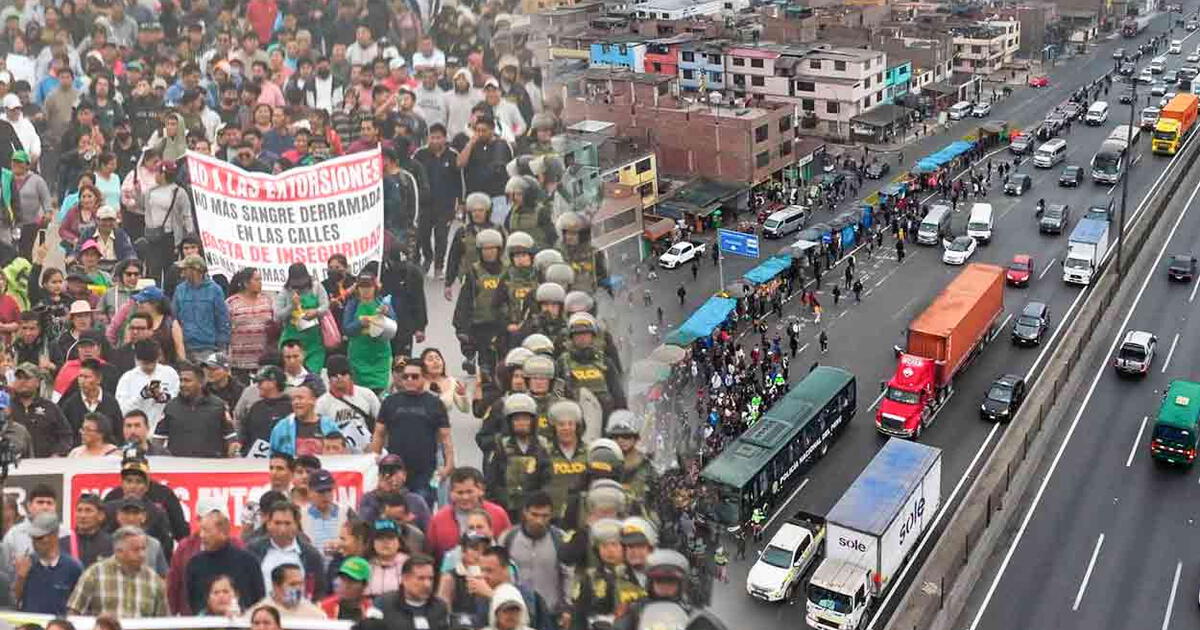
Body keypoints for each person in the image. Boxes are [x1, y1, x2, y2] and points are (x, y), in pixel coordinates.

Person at [369, 358, 453, 505]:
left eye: (414, 376)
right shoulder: (390, 402)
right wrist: (372, 461)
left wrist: (449, 466)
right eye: (405, 376)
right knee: (393, 510)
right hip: (393, 470)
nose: (409, 380)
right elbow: (379, 434)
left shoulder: (435, 403)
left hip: (425, 471)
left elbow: (446, 439)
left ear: (424, 377)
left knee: (422, 509)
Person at [67, 526, 169, 617]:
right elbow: (74, 613)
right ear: (118, 551)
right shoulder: (95, 574)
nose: (142, 554)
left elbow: (163, 621)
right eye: (136, 550)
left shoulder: (154, 581)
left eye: (143, 549)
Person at [185, 509, 265, 614]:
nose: (202, 536)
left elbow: (259, 599)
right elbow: (192, 602)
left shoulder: (248, 562)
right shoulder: (194, 564)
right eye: (201, 531)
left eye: (206, 531)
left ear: (223, 533)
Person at [154, 362, 239, 457]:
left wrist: (233, 451)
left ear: (201, 383)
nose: (182, 384)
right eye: (181, 380)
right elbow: (158, 441)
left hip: (210, 466)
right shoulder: (171, 407)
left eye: (187, 381)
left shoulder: (218, 406)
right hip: (178, 467)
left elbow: (231, 439)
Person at [246, 501, 327, 600]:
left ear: (297, 525)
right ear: (268, 524)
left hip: (300, 613)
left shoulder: (311, 555)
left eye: (287, 523)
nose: (282, 529)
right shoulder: (253, 551)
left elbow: (319, 591)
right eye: (277, 523)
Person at [426, 467, 512, 558]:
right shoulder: (439, 519)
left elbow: (508, 547)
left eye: (469, 492)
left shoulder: (498, 514)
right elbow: (430, 553)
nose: (465, 497)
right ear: (451, 493)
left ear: (481, 490)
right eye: (460, 493)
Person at [11, 512, 83, 614]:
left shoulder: (73, 567)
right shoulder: (26, 563)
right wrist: (21, 577)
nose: (35, 542)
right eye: (33, 537)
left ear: (55, 535)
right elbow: (14, 601)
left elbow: (79, 606)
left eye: (40, 537)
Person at [341, 266, 394, 392]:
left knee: (378, 392)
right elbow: (347, 329)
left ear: (374, 287)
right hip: (358, 358)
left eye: (368, 287)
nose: (365, 290)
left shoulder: (382, 303)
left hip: (379, 357)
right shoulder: (352, 305)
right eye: (362, 287)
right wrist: (359, 323)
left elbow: (394, 327)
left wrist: (386, 315)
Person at [316, 354, 380, 454]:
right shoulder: (322, 403)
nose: (339, 377)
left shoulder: (367, 394)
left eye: (343, 373)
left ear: (350, 375)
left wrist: (375, 445)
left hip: (367, 450)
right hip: (337, 453)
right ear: (329, 378)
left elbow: (381, 423)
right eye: (334, 375)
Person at [171, 255, 231, 359]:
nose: (182, 273)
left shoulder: (215, 290)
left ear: (195, 270)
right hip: (184, 348)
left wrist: (222, 347)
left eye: (185, 269)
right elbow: (174, 318)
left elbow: (222, 319)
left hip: (208, 348)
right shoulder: (180, 290)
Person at [115, 339, 180, 431]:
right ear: (137, 360)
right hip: (138, 430)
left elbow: (178, 400)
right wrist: (142, 396)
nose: (150, 367)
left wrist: (164, 397)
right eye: (145, 363)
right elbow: (122, 410)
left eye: (153, 362)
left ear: (158, 358)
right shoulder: (127, 378)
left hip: (165, 429)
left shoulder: (170, 373)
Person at [376, 554, 451, 630]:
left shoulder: (440, 607)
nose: (427, 584)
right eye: (421, 578)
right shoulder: (384, 604)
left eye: (430, 579)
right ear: (405, 579)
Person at [268, 380, 341, 457]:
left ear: (313, 400)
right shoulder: (282, 427)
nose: (296, 402)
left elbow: (341, 453)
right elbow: (272, 455)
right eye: (293, 399)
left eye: (300, 398)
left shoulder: (329, 426)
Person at [252, 563, 328, 619]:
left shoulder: (316, 614)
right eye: (293, 584)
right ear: (276, 586)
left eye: (301, 584)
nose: (299, 588)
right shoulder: (257, 615)